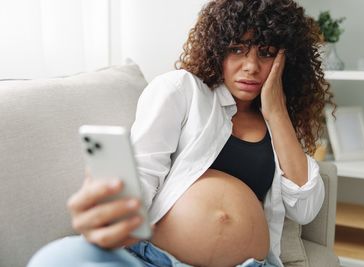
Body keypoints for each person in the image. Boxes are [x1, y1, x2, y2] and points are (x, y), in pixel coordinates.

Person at [28, 0, 335, 266]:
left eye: (266, 53)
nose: (251, 66)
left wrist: (277, 112)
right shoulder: (183, 90)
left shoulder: (279, 125)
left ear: (285, 62)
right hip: (156, 258)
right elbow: (145, 169)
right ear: (217, 49)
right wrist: (116, 219)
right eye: (237, 49)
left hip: (251, 264)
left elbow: (305, 208)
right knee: (58, 258)